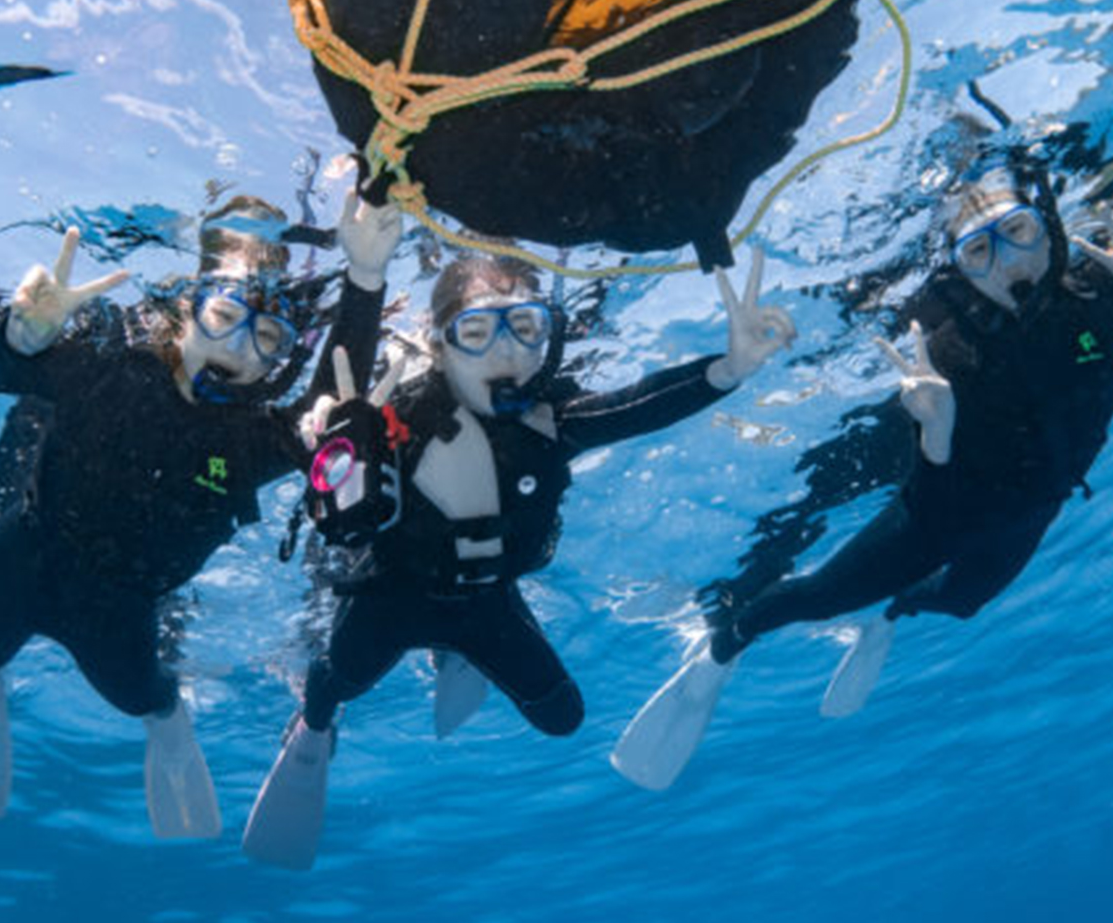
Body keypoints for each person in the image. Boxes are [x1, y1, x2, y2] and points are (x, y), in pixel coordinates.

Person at [611, 143, 1113, 791]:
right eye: (978, 251)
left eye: (1018, 231)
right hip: (943, 509)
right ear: (958, 271)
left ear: (1048, 228)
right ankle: (723, 644)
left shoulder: (1096, 293)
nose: (1006, 262)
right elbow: (932, 508)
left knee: (962, 603)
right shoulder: (952, 354)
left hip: (1035, 507)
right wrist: (937, 432)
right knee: (816, 598)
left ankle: (889, 615)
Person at [239, 249, 799, 868]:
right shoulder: (392, 420)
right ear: (439, 345)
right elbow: (310, 461)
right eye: (478, 331)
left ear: (546, 339)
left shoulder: (553, 421)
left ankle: (452, 653)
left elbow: (636, 406)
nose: (505, 351)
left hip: (486, 600)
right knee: (331, 689)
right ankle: (312, 731)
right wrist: (327, 438)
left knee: (562, 716)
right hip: (391, 597)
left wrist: (727, 370)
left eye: (524, 327)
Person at [0, 193, 402, 834]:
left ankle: (168, 720)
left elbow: (331, 399)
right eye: (225, 315)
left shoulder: (250, 444)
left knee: (140, 694)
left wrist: (366, 277)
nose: (240, 346)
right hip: (25, 553)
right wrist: (19, 338)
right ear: (187, 309)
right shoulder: (106, 367)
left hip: (123, 606)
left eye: (268, 338)